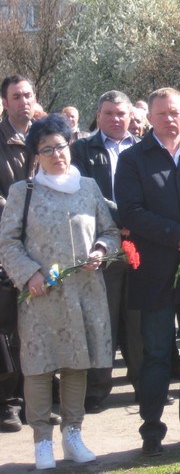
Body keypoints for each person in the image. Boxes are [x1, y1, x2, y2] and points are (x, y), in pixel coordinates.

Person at [0, 113, 120, 470]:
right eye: (46, 149)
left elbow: (110, 232)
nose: (56, 154)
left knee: (75, 366)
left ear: (71, 145)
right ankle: (41, 442)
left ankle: (73, 434)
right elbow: (7, 242)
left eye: (61, 146)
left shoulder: (88, 187)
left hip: (83, 293)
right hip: (41, 295)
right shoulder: (24, 191)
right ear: (36, 155)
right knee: (38, 367)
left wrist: (100, 250)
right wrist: (29, 274)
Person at [115, 88, 180, 457]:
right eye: (162, 114)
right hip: (155, 272)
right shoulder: (132, 159)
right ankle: (152, 429)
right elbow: (129, 211)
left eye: (175, 113)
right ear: (149, 118)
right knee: (157, 355)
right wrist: (177, 235)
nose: (170, 119)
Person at [71, 91, 142, 412]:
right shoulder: (82, 150)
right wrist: (122, 218)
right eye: (109, 113)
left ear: (130, 117)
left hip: (140, 244)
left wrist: (137, 222)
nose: (115, 119)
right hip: (100, 246)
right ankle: (98, 390)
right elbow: (85, 192)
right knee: (103, 321)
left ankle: (145, 385)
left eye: (121, 114)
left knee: (139, 320)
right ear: (97, 116)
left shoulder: (143, 149)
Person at [0, 75, 36, 434]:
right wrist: (21, 210)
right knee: (8, 328)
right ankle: (8, 403)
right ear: (5, 102)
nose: (23, 101)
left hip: (42, 245)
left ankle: (34, 402)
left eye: (28, 95)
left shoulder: (45, 138)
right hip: (7, 244)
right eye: (16, 96)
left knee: (36, 326)